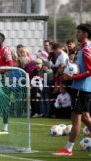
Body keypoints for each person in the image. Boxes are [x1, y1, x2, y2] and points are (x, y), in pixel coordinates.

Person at [53, 23, 91, 156]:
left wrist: (74, 76)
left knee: (77, 118)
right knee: (85, 117)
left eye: (79, 32)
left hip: (81, 88)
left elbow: (90, 71)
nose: (77, 35)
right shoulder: (85, 48)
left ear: (86, 34)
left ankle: (68, 149)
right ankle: (68, 148)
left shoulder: (86, 49)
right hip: (82, 87)